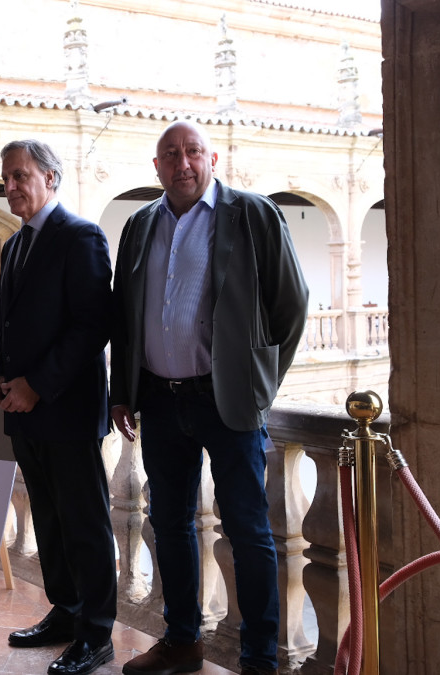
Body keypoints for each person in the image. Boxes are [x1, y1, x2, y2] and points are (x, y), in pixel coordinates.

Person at [110, 120, 308, 675]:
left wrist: (260, 381)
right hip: (160, 398)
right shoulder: (140, 225)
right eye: (170, 154)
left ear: (212, 158)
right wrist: (121, 392)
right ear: (157, 167)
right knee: (168, 522)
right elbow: (125, 315)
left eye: (193, 151)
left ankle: (260, 658)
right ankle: (181, 641)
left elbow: (291, 305)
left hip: (226, 403)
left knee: (248, 529)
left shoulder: (251, 215)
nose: (183, 163)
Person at [0, 139, 118, 675]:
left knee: (85, 524)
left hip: (64, 408)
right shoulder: (15, 245)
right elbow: (11, 324)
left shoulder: (81, 236)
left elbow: (93, 325)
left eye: (21, 176)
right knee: (46, 516)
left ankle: (96, 634)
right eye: (7, 178)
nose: (11, 186)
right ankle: (65, 611)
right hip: (24, 412)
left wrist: (37, 385)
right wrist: (0, 377)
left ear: (51, 179)